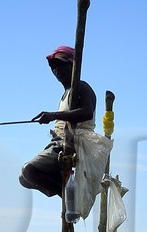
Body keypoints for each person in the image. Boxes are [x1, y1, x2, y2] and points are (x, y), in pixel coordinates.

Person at [19, 45, 97, 198]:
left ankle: (69, 196)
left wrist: (53, 115)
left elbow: (87, 113)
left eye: (61, 65)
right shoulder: (65, 94)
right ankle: (64, 188)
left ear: (73, 65)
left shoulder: (81, 87)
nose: (57, 70)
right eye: (54, 67)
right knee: (24, 179)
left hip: (72, 143)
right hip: (59, 142)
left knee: (28, 170)